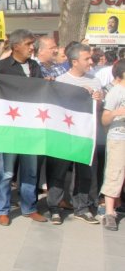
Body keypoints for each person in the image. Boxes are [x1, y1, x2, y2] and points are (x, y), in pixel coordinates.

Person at [0, 29, 47, 226]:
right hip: (9, 129)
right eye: (29, 44)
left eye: (33, 44)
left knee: (31, 170)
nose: (33, 48)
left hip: (31, 128)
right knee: (6, 172)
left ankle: (29, 207)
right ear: (16, 46)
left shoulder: (35, 67)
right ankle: (2, 210)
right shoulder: (1, 68)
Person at [47, 43, 103, 225]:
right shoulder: (62, 81)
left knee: (85, 172)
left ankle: (82, 207)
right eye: (86, 58)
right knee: (59, 171)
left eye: (90, 58)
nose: (90, 62)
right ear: (74, 61)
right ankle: (54, 207)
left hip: (86, 135)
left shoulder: (95, 81)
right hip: (65, 135)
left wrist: (98, 100)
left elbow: (100, 108)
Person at [100, 59, 125, 230]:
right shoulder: (116, 91)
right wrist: (117, 112)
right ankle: (109, 212)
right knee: (115, 173)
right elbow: (104, 119)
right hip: (118, 138)